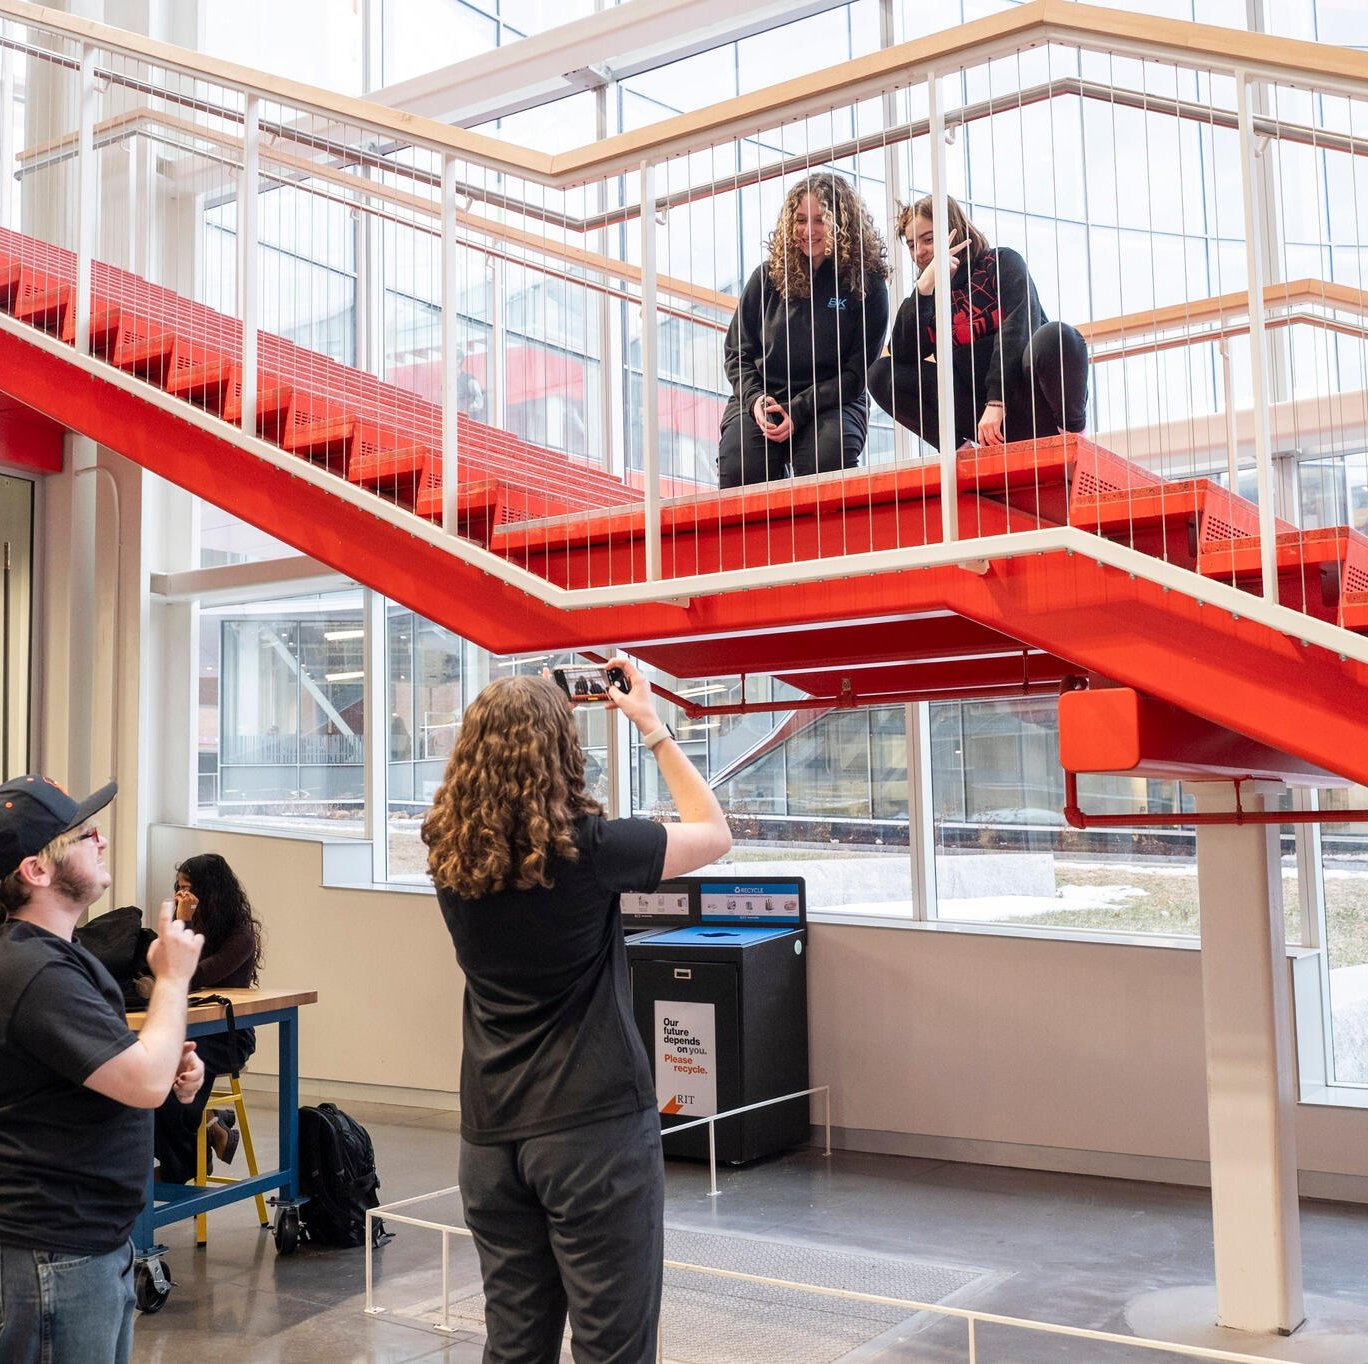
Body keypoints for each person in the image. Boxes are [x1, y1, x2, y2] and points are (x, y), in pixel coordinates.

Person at [424, 659, 732, 1363]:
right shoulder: (592, 852)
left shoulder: (446, 852)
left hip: (492, 1139)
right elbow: (712, 831)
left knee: (514, 1349)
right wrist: (650, 723)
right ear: (562, 750)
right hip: (592, 1134)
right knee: (612, 1349)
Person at [0, 776, 205, 1364]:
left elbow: (132, 1074)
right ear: (36, 870)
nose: (101, 840)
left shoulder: (51, 954)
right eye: (83, 835)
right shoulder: (31, 967)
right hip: (39, 1247)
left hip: (73, 1239)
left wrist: (165, 1059)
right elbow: (143, 1082)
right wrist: (174, 979)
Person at [869, 196, 1089, 451]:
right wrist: (923, 289)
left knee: (1057, 336)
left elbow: (1018, 330)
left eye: (928, 240)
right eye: (911, 245)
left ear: (955, 230)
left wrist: (997, 401)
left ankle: (1073, 435)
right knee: (880, 374)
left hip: (1031, 402)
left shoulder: (1002, 262)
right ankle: (960, 452)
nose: (919, 252)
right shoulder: (930, 294)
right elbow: (903, 355)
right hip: (983, 419)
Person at [717, 172, 890, 487]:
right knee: (741, 468)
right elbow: (736, 352)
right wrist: (755, 399)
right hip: (765, 399)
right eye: (800, 220)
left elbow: (856, 374)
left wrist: (798, 409)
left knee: (827, 462)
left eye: (820, 220)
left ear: (843, 224)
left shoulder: (868, 285)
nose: (808, 231)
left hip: (832, 400)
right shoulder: (767, 277)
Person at [152, 852, 261, 1184]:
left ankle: (184, 1162)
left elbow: (193, 974)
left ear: (210, 892)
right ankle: (209, 1126)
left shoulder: (241, 934)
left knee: (168, 1087)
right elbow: (165, 965)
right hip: (186, 1026)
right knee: (148, 1080)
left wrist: (181, 923)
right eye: (179, 889)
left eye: (189, 889)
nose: (182, 897)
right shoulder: (189, 926)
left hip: (227, 1034)